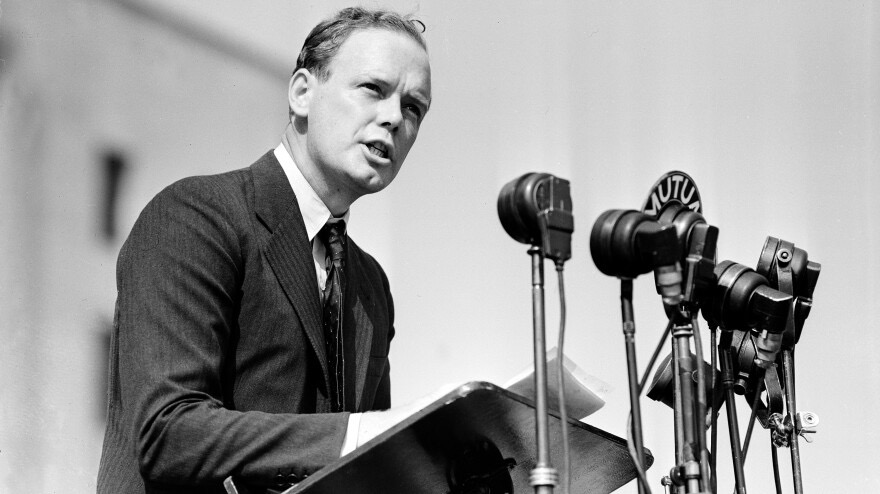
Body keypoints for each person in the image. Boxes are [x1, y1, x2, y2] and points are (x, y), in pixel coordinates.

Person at [97, 7, 432, 493]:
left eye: (414, 107)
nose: (394, 118)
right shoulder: (197, 216)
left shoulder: (370, 284)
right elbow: (168, 431)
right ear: (301, 93)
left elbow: (363, 472)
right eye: (373, 89)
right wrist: (359, 434)